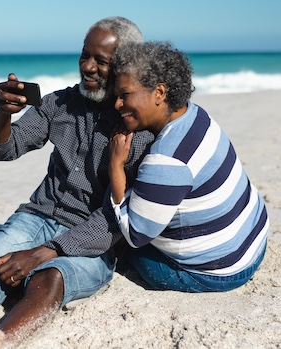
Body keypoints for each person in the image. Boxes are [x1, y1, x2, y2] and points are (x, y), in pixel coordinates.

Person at [0, 17, 154, 348]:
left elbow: (116, 216)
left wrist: (42, 255)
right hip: (36, 218)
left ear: (127, 66)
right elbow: (3, 149)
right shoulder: (60, 104)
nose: (87, 66)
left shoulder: (138, 127)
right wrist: (3, 113)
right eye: (85, 55)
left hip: (91, 241)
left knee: (48, 279)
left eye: (101, 61)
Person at [109, 41, 269, 293]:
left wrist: (116, 166)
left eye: (124, 95)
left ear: (159, 92)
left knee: (125, 250)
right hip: (255, 239)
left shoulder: (166, 158)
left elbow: (135, 235)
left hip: (221, 271)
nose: (117, 104)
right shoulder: (196, 114)